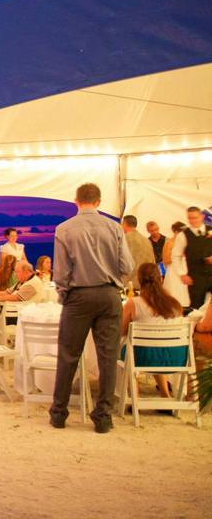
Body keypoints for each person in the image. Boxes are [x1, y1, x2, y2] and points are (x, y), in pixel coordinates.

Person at [50, 183, 134, 433]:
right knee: (107, 357)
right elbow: (127, 265)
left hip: (78, 296)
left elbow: (61, 272)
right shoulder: (114, 227)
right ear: (99, 201)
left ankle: (59, 413)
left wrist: (65, 295)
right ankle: (103, 416)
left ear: (76, 200)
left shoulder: (64, 229)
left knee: (68, 355)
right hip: (109, 295)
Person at [120, 263, 187, 398]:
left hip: (143, 358)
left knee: (131, 348)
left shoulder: (134, 303)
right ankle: (165, 394)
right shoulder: (175, 304)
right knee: (156, 344)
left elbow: (121, 331)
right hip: (176, 358)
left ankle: (134, 396)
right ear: (160, 279)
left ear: (139, 281)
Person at [171, 206, 212, 315]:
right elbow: (175, 256)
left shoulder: (211, 230)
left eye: (195, 218)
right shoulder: (183, 235)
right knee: (196, 307)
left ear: (202, 217)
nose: (193, 221)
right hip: (195, 276)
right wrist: (182, 274)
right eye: (190, 218)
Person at [121, 215, 155, 290]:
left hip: (128, 283)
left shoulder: (124, 239)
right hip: (145, 282)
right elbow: (152, 262)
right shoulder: (147, 240)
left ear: (124, 224)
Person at [162, 222, 190, 307]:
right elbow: (166, 260)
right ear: (176, 232)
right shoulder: (169, 243)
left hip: (184, 270)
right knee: (174, 291)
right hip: (173, 271)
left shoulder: (185, 243)